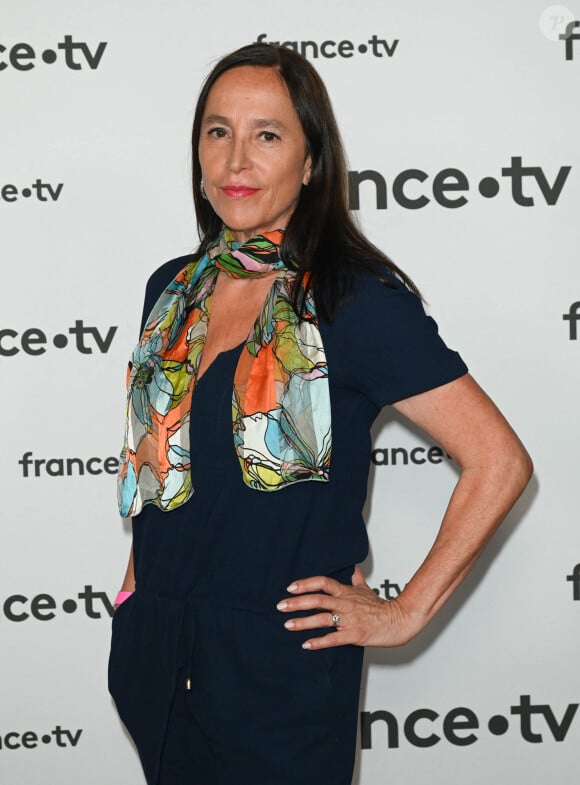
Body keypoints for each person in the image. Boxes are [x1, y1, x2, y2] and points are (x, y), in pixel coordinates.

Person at [108, 43, 532, 785]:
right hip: (158, 652)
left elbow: (499, 462)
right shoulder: (170, 289)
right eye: (218, 132)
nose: (237, 158)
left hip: (278, 675)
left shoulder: (353, 300)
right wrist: (136, 588)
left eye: (267, 135)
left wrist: (403, 613)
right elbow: (162, 460)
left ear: (310, 163)